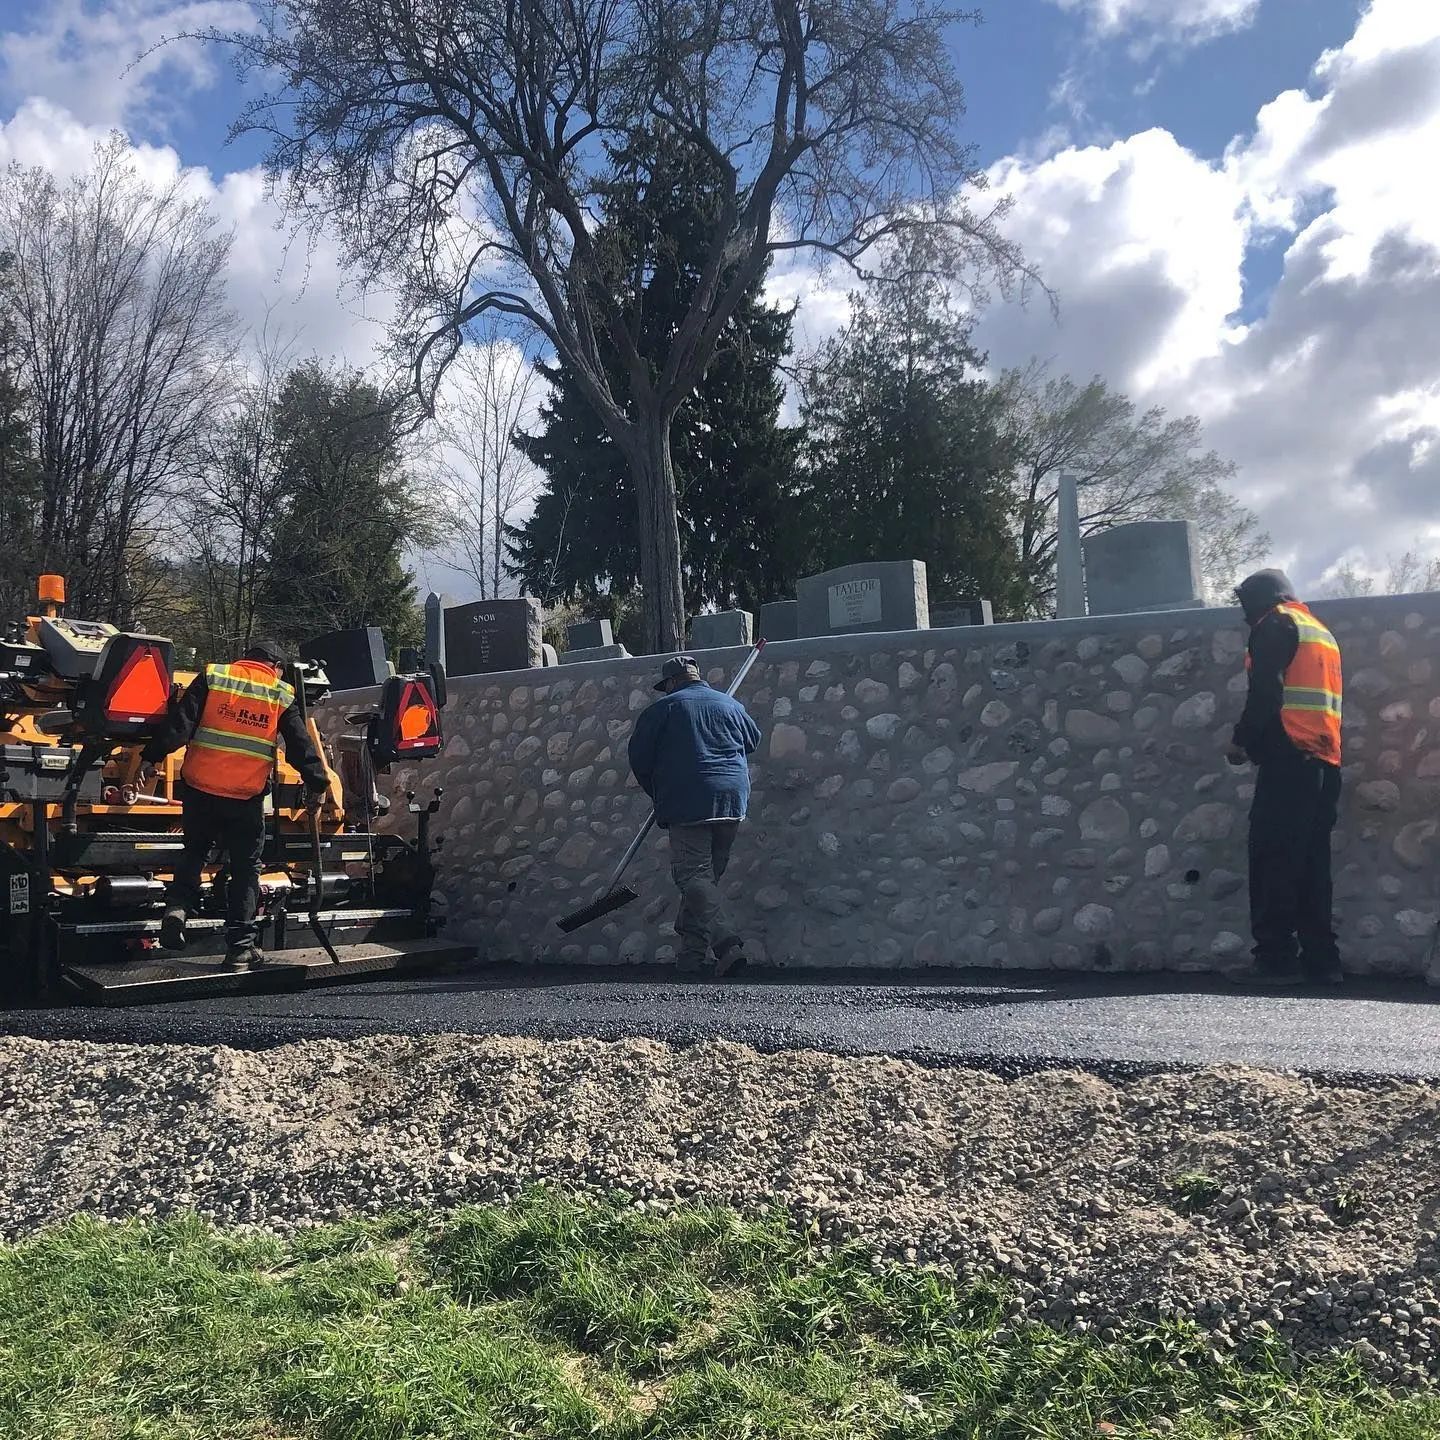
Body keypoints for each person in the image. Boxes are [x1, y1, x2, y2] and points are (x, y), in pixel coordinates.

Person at [142, 640, 330, 971]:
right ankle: (240, 948)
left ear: (245, 659)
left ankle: (177, 908)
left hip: (200, 788)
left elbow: (180, 725)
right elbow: (300, 745)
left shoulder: (215, 676)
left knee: (194, 851)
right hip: (245, 797)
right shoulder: (280, 693)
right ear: (277, 667)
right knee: (245, 870)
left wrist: (151, 757)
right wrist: (318, 782)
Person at [1226, 569, 1344, 986]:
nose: (1245, 617)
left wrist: (1242, 740)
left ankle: (1275, 960)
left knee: (1272, 856)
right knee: (1312, 862)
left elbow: (1266, 691)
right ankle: (1323, 961)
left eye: (1246, 606)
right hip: (1325, 761)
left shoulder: (1275, 624)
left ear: (1263, 600)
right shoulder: (1319, 631)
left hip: (1289, 756)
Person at [628, 654, 762, 977]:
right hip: (732, 802)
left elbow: (639, 759)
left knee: (692, 877)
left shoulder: (663, 710)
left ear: (672, 683)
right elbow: (753, 740)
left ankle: (728, 946)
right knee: (704, 881)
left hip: (689, 801)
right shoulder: (730, 705)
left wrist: (659, 794)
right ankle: (690, 957)